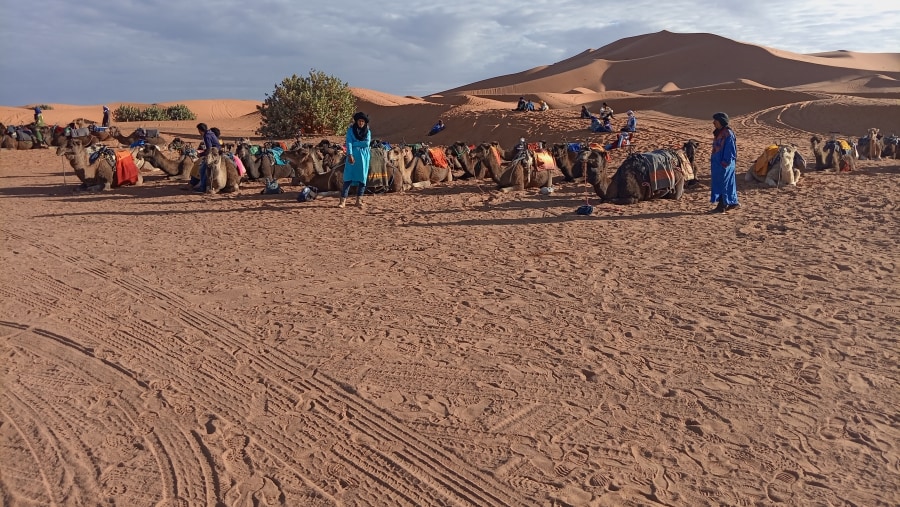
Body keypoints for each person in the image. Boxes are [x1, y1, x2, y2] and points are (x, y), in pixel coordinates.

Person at [709, 112, 739, 213]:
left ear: (721, 121)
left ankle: (722, 206)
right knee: (725, 183)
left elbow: (730, 150)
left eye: (715, 121)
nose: (713, 123)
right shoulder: (719, 132)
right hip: (718, 164)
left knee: (724, 184)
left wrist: (725, 163)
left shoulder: (728, 134)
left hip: (725, 164)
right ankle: (732, 202)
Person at [341, 112, 372, 208]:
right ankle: (342, 201)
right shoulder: (351, 130)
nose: (361, 123)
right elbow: (348, 142)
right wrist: (350, 154)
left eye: (362, 121)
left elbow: (367, 144)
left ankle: (359, 200)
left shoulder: (368, 131)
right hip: (352, 156)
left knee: (362, 178)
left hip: (364, 157)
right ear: (356, 121)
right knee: (348, 177)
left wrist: (355, 143)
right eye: (359, 121)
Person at [194, 123, 221, 192]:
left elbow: (209, 149)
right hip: (217, 151)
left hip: (214, 153)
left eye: (198, 130)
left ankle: (202, 188)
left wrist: (201, 154)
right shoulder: (210, 133)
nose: (199, 132)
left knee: (203, 168)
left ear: (200, 130)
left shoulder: (206, 136)